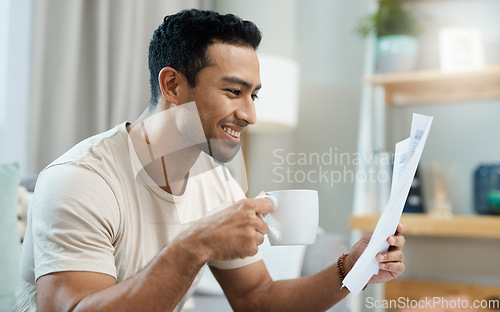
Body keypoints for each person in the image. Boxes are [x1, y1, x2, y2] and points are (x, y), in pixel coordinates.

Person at [11, 9, 406, 312]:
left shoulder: (216, 183)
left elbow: (258, 297)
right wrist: (195, 244)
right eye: (234, 91)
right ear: (173, 85)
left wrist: (351, 268)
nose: (250, 114)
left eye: (254, 96)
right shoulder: (81, 180)